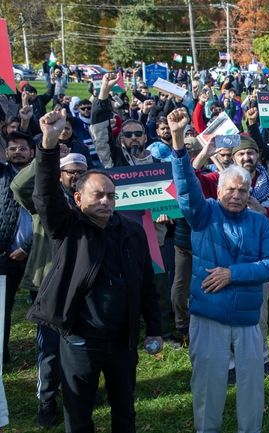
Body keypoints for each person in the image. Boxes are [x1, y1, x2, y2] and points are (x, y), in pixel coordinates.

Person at [27, 110, 163, 433]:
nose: (105, 201)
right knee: (78, 414)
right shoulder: (68, 227)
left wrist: (155, 328)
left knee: (124, 413)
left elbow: (146, 284)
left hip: (122, 341)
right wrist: (47, 146)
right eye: (97, 195)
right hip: (79, 340)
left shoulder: (132, 231)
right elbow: (44, 196)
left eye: (111, 196)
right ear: (78, 198)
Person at [167, 108, 269, 433]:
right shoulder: (204, 215)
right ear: (217, 191)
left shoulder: (259, 222)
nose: (236, 195)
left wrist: (233, 274)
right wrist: (178, 143)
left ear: (249, 195)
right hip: (208, 317)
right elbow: (187, 187)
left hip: (247, 320)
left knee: (252, 388)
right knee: (207, 385)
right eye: (230, 189)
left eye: (242, 191)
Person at [11, 150, 86, 428]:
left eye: (81, 171)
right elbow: (19, 186)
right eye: (71, 171)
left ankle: (77, 392)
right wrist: (46, 156)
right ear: (59, 175)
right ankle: (47, 399)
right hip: (49, 284)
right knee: (51, 347)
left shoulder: (91, 201)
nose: (76, 176)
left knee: (79, 343)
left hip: (83, 285)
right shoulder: (43, 200)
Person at [1, 131, 34, 365]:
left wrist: (27, 245)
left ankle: (51, 355)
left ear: (32, 152)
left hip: (38, 253)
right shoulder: (1, 175)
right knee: (2, 307)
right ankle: (2, 354)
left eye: (23, 148)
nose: (17, 152)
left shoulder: (43, 176)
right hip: (5, 253)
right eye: (12, 148)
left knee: (47, 307)